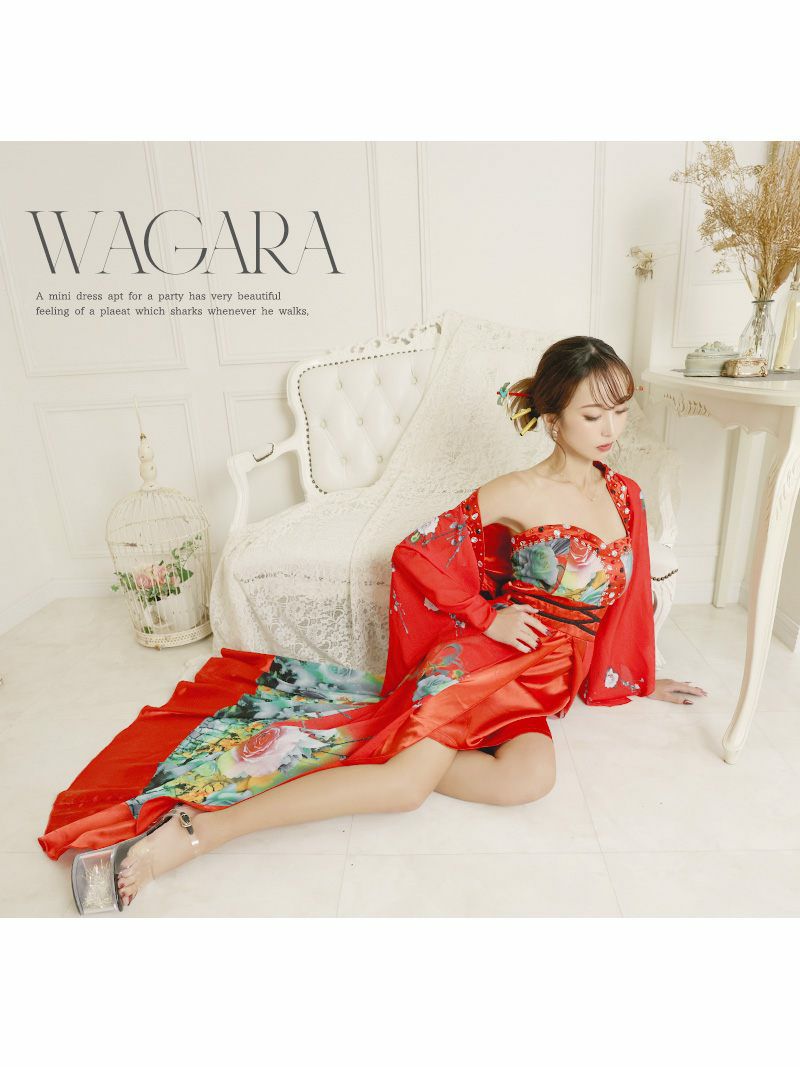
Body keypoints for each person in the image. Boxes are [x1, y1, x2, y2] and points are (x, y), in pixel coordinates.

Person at [41, 335, 707, 914]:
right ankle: (194, 833)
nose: (610, 428)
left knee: (529, 779)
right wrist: (489, 616)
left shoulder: (624, 495)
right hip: (482, 662)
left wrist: (640, 678)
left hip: (537, 686)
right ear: (553, 417)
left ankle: (380, 738)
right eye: (593, 414)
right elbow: (416, 552)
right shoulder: (518, 490)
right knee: (403, 788)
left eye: (620, 410)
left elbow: (624, 602)